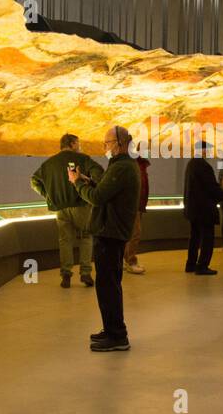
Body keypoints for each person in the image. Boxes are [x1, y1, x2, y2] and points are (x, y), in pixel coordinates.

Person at [69, 125, 141, 351]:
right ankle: (112, 329)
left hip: (110, 233)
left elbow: (98, 198)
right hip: (112, 232)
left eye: (108, 143)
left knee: (108, 286)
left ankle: (117, 335)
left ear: (119, 144)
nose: (105, 147)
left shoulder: (122, 168)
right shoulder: (122, 165)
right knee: (109, 284)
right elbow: (106, 190)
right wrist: (88, 179)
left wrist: (77, 183)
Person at [31, 134, 104, 288]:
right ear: (72, 144)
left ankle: (66, 275)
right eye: (78, 143)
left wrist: (48, 196)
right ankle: (85, 273)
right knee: (86, 237)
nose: (80, 146)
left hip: (60, 209)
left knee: (65, 241)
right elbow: (98, 171)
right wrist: (92, 184)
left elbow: (34, 180)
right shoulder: (82, 159)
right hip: (81, 205)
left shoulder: (48, 163)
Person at [183, 142, 223, 275]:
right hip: (204, 209)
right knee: (208, 237)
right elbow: (211, 187)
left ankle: (191, 264)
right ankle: (202, 265)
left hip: (193, 208)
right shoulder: (203, 166)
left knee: (195, 237)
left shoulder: (191, 164)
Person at [123, 151, 151, 275]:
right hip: (134, 205)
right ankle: (130, 261)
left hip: (136, 204)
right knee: (135, 233)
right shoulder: (136, 165)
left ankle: (125, 260)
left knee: (131, 234)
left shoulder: (139, 164)